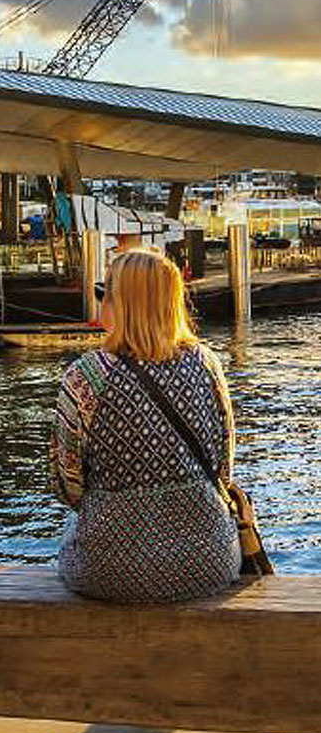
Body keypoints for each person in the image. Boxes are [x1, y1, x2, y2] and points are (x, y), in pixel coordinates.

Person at [49, 248, 241, 604]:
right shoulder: (208, 364)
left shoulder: (87, 375)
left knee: (69, 533)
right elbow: (224, 471)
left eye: (103, 293)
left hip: (109, 571)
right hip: (208, 563)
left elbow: (66, 486)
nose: (100, 301)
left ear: (120, 304)